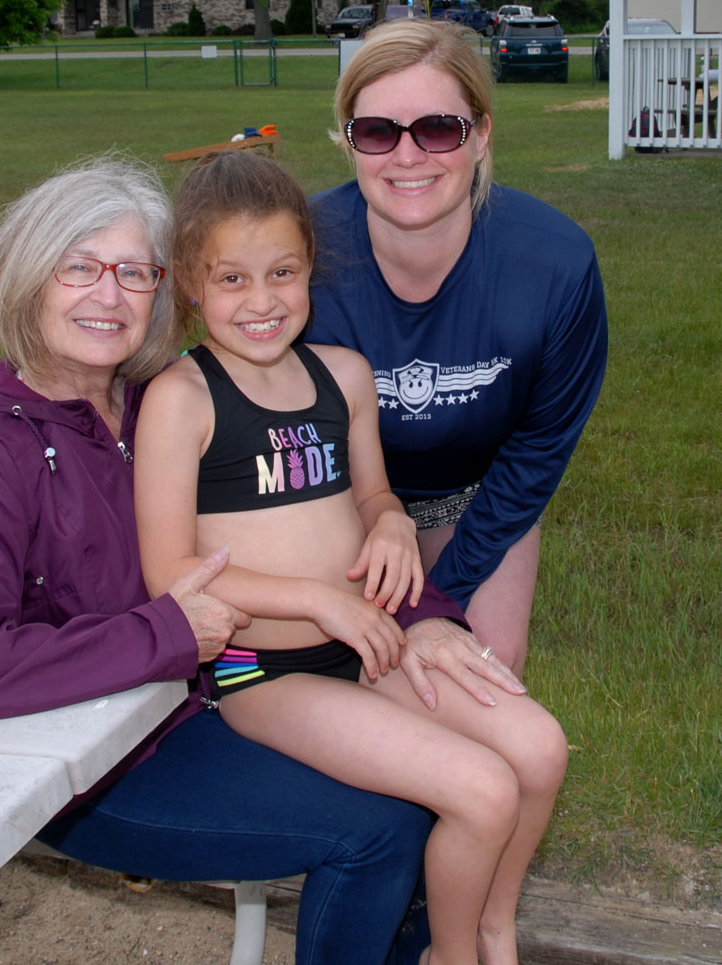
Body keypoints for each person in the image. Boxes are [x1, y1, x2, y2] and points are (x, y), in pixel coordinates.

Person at [0, 156, 523, 965]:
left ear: (165, 288)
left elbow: (322, 512)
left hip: (209, 698)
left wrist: (422, 613)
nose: (109, 296)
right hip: (105, 757)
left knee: (452, 784)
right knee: (380, 829)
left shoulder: (156, 396)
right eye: (78, 268)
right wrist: (164, 634)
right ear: (25, 279)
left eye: (133, 272)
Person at [133, 149, 569, 965]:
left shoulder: (344, 376)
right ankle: (450, 954)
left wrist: (394, 523)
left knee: (539, 751)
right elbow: (170, 575)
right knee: (481, 790)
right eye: (232, 279)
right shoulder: (182, 399)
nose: (262, 301)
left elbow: (372, 496)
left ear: (311, 268)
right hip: (267, 675)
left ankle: (492, 929)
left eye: (283, 273)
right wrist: (318, 598)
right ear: (190, 282)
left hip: (369, 643)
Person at [308, 18, 608, 676]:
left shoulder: (555, 265)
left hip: (474, 498)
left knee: (482, 676)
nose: (408, 156)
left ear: (481, 135)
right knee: (346, 679)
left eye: (439, 129)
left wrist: (441, 598)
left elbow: (537, 451)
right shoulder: (296, 255)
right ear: (349, 141)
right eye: (378, 132)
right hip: (332, 500)